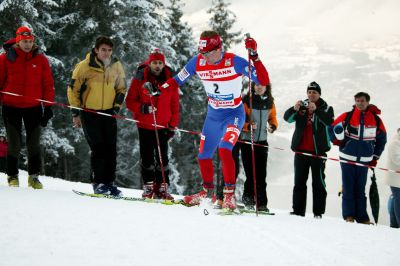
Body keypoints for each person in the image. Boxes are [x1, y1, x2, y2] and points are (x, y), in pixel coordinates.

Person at [157, 30, 270, 210]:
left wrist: (254, 56)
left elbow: (263, 80)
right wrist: (158, 89)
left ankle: (229, 196)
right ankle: (205, 193)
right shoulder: (198, 62)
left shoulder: (234, 62)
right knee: (203, 156)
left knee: (225, 149)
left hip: (234, 114)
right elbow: (177, 80)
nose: (205, 57)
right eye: (202, 53)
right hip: (214, 115)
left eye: (208, 52)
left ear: (219, 48)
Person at [67, 36, 126, 196]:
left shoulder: (116, 65)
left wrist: (116, 108)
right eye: (103, 50)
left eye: (109, 50)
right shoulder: (84, 66)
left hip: (108, 113)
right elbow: (73, 90)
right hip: (89, 113)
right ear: (96, 50)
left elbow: (121, 88)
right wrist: (76, 113)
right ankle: (98, 183)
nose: (106, 53)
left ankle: (109, 183)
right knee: (99, 148)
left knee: (111, 149)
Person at [0, 26, 54, 188]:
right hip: (11, 107)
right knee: (14, 143)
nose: (28, 44)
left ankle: (34, 177)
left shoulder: (41, 59)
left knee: (34, 143)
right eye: (24, 41)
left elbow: (48, 85)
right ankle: (12, 176)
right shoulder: (5, 58)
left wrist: (48, 107)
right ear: (18, 41)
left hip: (34, 107)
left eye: (30, 41)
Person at [126, 48, 179, 200]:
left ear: (164, 64)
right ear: (149, 63)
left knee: (163, 158)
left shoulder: (171, 80)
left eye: (160, 63)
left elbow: (175, 104)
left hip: (163, 126)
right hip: (144, 125)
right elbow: (130, 101)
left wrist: (172, 125)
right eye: (154, 63)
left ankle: (162, 187)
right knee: (147, 157)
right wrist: (142, 108)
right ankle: (148, 187)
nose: (157, 66)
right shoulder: (140, 77)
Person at [330, 92, 386, 223]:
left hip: (365, 161)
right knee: (348, 187)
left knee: (360, 189)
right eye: (357, 100)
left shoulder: (376, 120)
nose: (360, 103)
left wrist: (375, 157)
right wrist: (337, 141)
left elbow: (382, 140)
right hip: (347, 158)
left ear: (367, 102)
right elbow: (331, 128)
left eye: (362, 101)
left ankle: (362, 217)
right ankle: (349, 216)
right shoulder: (347, 116)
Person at [283, 82, 333, 218]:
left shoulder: (327, 108)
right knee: (299, 182)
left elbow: (329, 121)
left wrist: (316, 110)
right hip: (300, 151)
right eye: (309, 92)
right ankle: (298, 211)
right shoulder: (302, 106)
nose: (311, 95)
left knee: (318, 183)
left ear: (319, 94)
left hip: (318, 152)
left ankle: (318, 212)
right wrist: (294, 109)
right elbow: (287, 119)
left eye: (314, 92)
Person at [240, 82, 277, 212]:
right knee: (250, 174)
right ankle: (248, 201)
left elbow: (272, 117)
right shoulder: (246, 100)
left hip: (262, 142)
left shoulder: (270, 102)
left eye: (262, 85)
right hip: (247, 142)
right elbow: (239, 120)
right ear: (253, 86)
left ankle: (262, 204)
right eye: (256, 85)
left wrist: (273, 126)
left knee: (261, 175)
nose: (259, 87)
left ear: (267, 87)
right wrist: (248, 126)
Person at [385, 128, 400, 228]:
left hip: (397, 178)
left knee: (395, 198)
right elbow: (397, 159)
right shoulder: (395, 142)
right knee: (398, 199)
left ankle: (394, 224)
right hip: (395, 178)